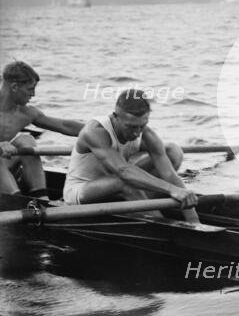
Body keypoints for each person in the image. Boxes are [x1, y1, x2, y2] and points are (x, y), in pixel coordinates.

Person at [62, 88, 199, 223]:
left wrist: (193, 219)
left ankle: (142, 205)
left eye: (142, 126)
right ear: (115, 117)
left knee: (172, 152)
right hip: (81, 192)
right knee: (125, 181)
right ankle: (162, 225)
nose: (137, 133)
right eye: (131, 127)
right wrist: (171, 190)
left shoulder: (145, 134)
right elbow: (124, 171)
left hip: (116, 185)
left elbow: (169, 175)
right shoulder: (95, 132)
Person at [0, 61, 83, 198]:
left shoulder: (25, 113)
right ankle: (16, 200)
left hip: (4, 167)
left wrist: (104, 129)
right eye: (30, 89)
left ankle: (41, 198)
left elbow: (64, 126)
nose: (33, 94)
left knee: (26, 140)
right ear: (14, 86)